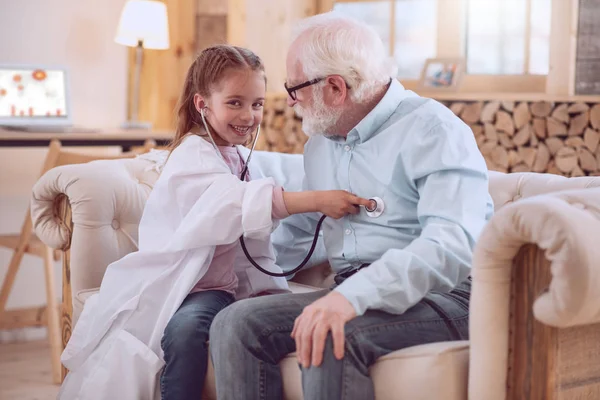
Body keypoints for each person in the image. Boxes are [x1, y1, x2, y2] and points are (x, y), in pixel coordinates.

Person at [56, 44, 371, 400]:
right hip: (195, 288)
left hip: (230, 287)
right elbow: (232, 204)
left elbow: (252, 228)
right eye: (234, 102)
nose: (249, 115)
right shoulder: (192, 154)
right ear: (202, 104)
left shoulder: (236, 156)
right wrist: (315, 200)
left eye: (257, 104)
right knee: (186, 330)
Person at [209, 12, 494, 400]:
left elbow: (452, 246)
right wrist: (238, 279)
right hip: (352, 291)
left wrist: (352, 297)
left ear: (335, 88)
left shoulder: (434, 130)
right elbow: (303, 233)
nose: (291, 101)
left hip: (447, 295)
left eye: (294, 89)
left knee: (330, 335)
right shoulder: (321, 145)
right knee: (234, 324)